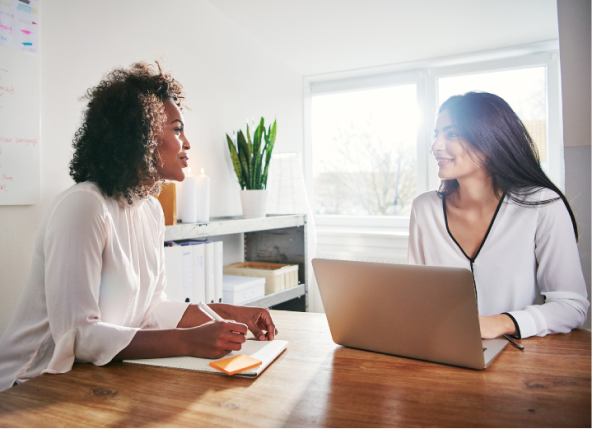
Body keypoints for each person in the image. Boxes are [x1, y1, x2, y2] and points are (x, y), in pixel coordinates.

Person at [0, 62, 277, 392]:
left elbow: (152, 309)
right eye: (177, 129)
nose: (186, 143)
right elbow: (78, 336)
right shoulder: (83, 206)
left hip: (88, 380)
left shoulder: (150, 210)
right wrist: (188, 342)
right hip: (27, 385)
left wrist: (230, 314)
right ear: (140, 136)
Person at [408, 91, 588, 340]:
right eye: (436, 134)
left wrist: (500, 323)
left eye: (452, 134)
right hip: (443, 353)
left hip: (520, 362)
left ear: (490, 140)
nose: (436, 146)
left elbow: (571, 307)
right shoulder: (424, 209)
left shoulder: (542, 205)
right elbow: (417, 297)